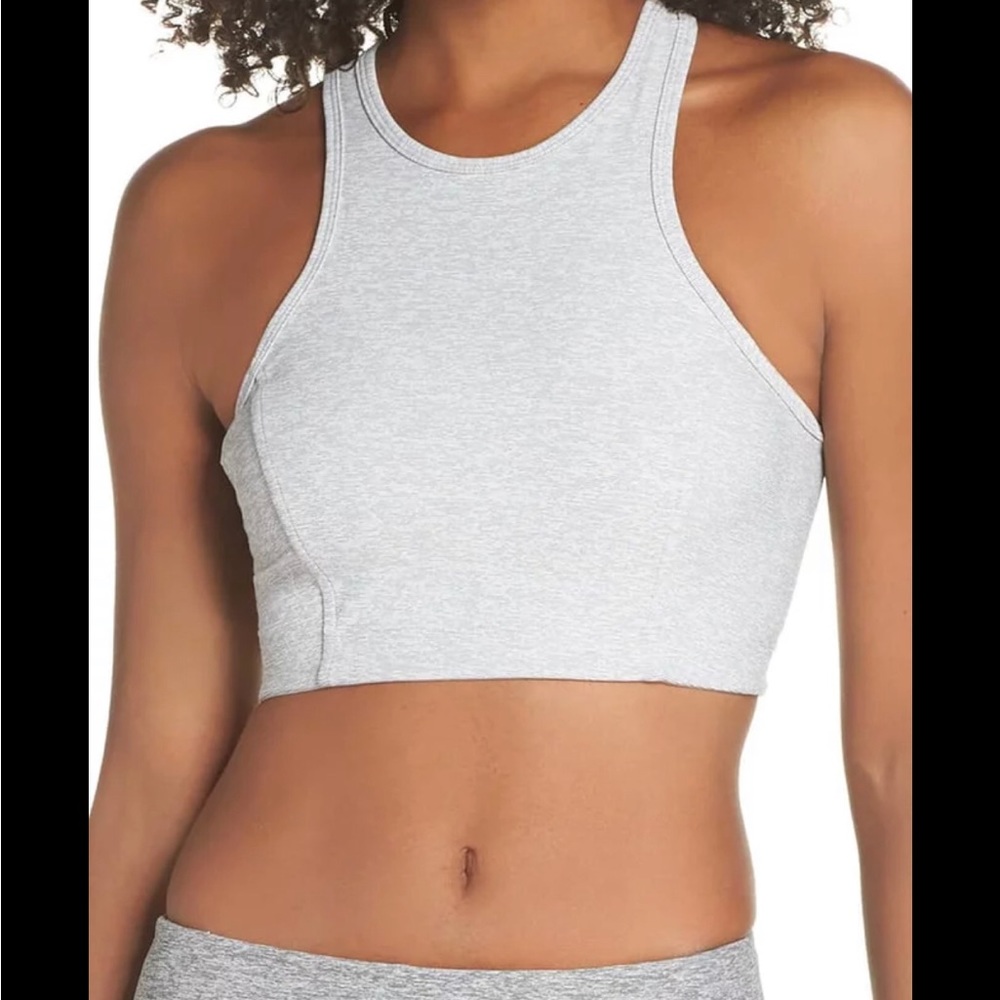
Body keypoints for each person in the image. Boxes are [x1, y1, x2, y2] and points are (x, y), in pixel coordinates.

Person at [88, 1, 912, 997]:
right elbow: (156, 752)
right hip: (243, 963)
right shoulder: (198, 204)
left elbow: (897, 749)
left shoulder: (835, 144)